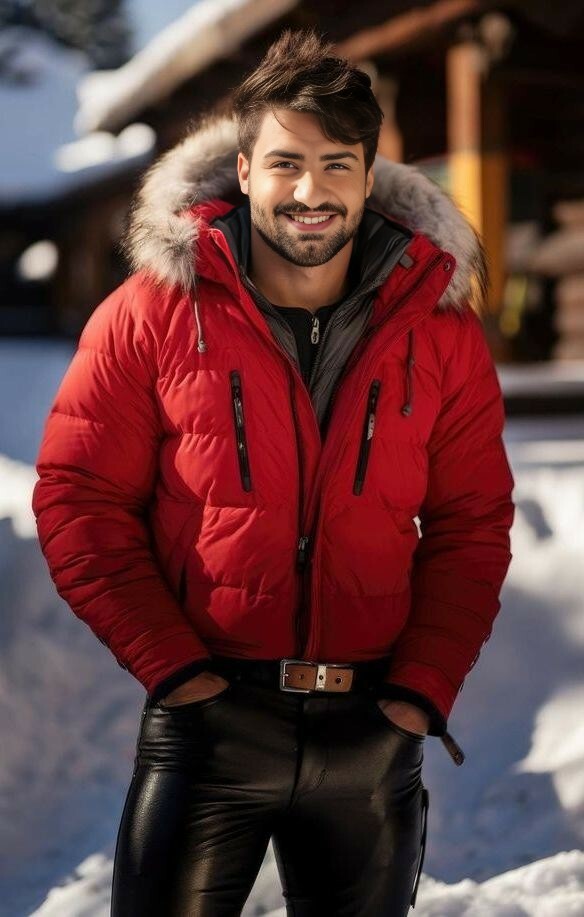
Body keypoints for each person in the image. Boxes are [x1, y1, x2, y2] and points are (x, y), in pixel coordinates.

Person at [32, 28, 515, 917]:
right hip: (208, 724)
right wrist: (177, 672)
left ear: (368, 176)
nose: (310, 191)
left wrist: (418, 692)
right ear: (246, 170)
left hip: (373, 731)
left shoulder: (440, 329)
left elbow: (474, 522)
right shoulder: (152, 312)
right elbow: (78, 497)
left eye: (337, 165)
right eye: (286, 163)